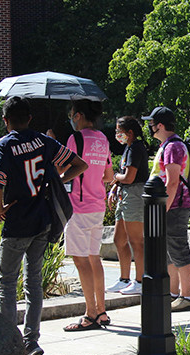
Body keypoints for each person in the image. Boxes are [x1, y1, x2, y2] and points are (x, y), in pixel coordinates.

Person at [0, 96, 88, 355]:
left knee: (7, 282)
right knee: (33, 283)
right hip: (42, 221)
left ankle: (9, 343)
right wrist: (57, 180)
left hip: (17, 221)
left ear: (5, 121)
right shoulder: (44, 142)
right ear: (30, 118)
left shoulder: (3, 146)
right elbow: (80, 164)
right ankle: (30, 341)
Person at [62, 99, 114, 331]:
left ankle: (89, 313)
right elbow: (108, 174)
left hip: (78, 206)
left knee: (81, 261)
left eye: (73, 114)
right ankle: (101, 311)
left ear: (80, 115)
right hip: (97, 205)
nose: (72, 118)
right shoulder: (103, 139)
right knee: (94, 258)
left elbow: (64, 169)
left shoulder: (76, 139)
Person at [142, 106, 190, 312]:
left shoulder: (173, 147)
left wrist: (162, 208)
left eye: (152, 124)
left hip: (175, 206)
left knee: (179, 249)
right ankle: (174, 294)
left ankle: (187, 296)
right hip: (172, 205)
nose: (150, 127)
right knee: (171, 252)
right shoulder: (169, 145)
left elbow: (172, 181)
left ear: (161, 125)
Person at [105, 116, 149, 295]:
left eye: (119, 131)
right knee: (119, 239)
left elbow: (129, 177)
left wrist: (116, 177)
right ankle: (124, 279)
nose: (117, 135)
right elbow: (125, 177)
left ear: (130, 133)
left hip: (135, 195)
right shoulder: (128, 149)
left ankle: (140, 281)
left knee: (136, 241)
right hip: (125, 195)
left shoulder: (136, 148)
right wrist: (116, 185)